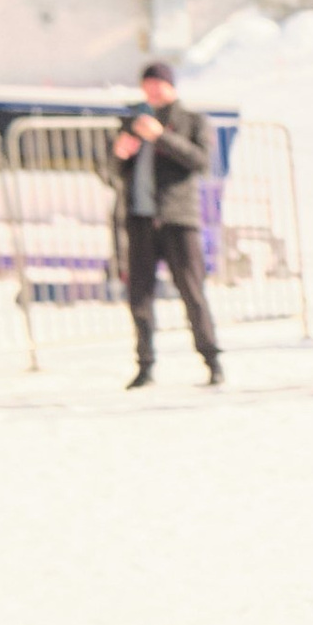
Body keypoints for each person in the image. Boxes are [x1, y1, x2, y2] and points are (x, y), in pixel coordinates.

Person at [102, 60, 221, 390]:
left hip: (177, 217)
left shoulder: (190, 120)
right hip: (138, 218)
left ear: (171, 85)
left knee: (192, 291)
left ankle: (212, 359)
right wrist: (119, 155)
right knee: (139, 294)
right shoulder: (131, 121)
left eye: (158, 83)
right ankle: (145, 364)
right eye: (147, 83)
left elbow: (200, 161)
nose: (152, 89)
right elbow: (108, 171)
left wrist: (162, 138)